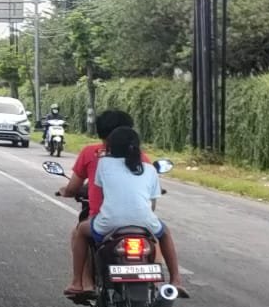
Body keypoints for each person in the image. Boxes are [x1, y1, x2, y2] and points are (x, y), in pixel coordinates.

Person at [65, 126, 184, 297]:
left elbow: (100, 191)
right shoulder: (150, 169)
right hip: (145, 222)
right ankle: (176, 280)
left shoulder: (104, 164)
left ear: (110, 147)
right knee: (165, 233)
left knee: (81, 231)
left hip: (110, 223)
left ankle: (77, 282)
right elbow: (152, 204)